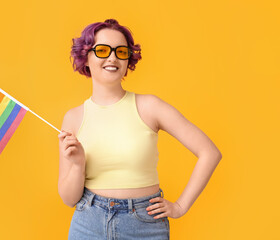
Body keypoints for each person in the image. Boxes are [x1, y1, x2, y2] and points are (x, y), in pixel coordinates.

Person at [58, 19, 222, 240]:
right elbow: (69, 199)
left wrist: (181, 206)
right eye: (103, 50)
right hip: (88, 224)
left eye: (121, 51)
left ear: (128, 60)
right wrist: (77, 165)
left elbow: (209, 152)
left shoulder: (150, 107)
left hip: (144, 226)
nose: (113, 57)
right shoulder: (73, 118)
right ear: (86, 57)